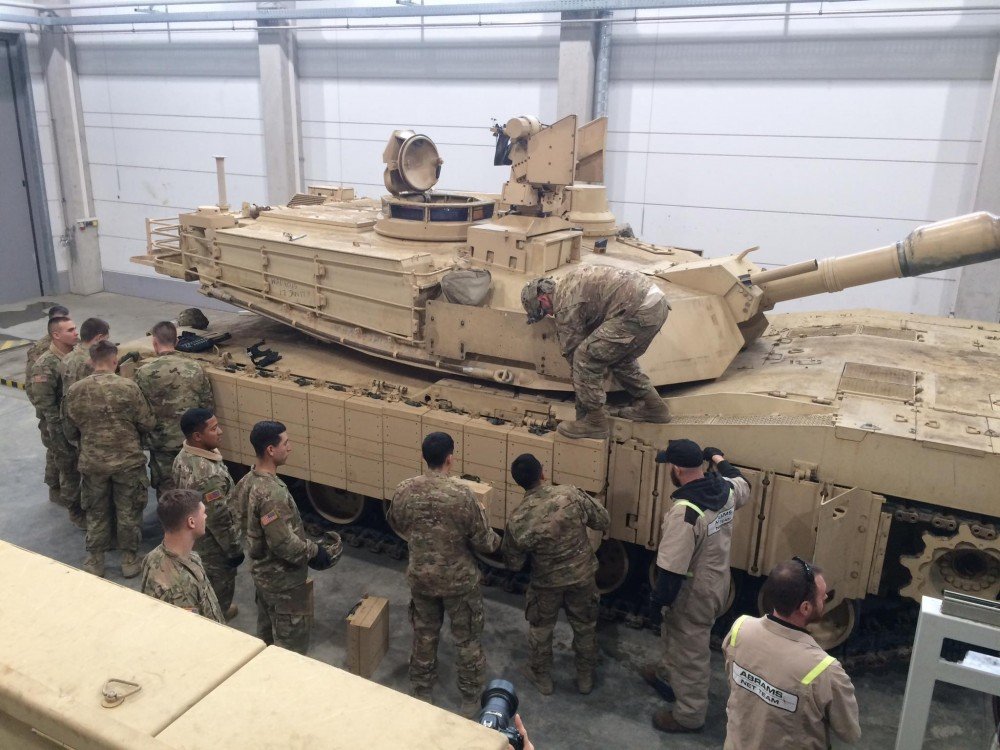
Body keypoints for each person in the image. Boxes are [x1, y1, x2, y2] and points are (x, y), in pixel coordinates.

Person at [386, 431, 500, 718]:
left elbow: (396, 523)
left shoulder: (405, 489)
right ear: (450, 458)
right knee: (467, 640)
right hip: (458, 582)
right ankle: (470, 699)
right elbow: (485, 542)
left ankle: (421, 691)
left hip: (421, 578)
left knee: (424, 635)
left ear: (424, 457)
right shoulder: (463, 495)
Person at [642, 439, 750, 734]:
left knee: (690, 651)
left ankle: (689, 714)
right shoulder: (724, 491)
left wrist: (657, 605)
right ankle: (667, 675)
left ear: (677, 470)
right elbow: (744, 483)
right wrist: (719, 458)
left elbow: (670, 571)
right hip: (717, 582)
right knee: (676, 635)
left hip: (692, 593)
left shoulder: (686, 513)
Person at [722, 558, 861, 749]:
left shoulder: (741, 629)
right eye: (822, 596)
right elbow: (850, 732)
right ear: (805, 608)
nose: (825, 599)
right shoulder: (825, 670)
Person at [501, 453, 610, 696]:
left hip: (546, 583)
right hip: (582, 576)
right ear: (543, 473)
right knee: (585, 626)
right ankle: (585, 678)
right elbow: (603, 520)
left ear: (519, 482)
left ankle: (543, 679)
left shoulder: (518, 518)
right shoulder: (570, 494)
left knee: (541, 629)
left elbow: (513, 563)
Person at [521, 267, 671, 439]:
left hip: (637, 310)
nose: (550, 314)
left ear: (542, 298)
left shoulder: (564, 304)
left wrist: (582, 415)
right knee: (619, 359)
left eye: (545, 311)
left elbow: (575, 359)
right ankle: (655, 407)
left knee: (584, 358)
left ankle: (595, 423)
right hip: (656, 305)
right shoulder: (567, 282)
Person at [237, 420, 340, 654]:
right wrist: (316, 552)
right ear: (270, 450)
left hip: (262, 577)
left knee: (265, 641)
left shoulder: (247, 481)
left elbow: (239, 519)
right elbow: (284, 543)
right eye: (285, 443)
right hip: (283, 584)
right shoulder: (272, 493)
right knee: (291, 652)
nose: (290, 447)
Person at [63, 341, 155, 578]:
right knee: (129, 510)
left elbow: (69, 431)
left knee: (96, 511)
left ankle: (95, 560)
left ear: (91, 361)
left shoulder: (75, 391)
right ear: (115, 361)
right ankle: (129, 560)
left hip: (93, 463)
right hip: (128, 462)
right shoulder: (129, 387)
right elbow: (147, 422)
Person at [173, 407, 244, 621]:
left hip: (192, 535)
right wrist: (233, 550)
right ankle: (217, 615)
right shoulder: (207, 475)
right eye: (213, 429)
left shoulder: (183, 456)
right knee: (219, 583)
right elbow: (218, 518)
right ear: (197, 436)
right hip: (213, 546)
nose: (220, 432)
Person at [135, 320, 214, 496]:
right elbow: (207, 408)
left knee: (168, 493)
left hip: (161, 443)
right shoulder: (196, 368)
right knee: (194, 488)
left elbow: (139, 411)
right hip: (191, 441)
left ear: (154, 342)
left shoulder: (144, 372)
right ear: (177, 342)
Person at [29, 315, 84, 526]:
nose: (76, 333)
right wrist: (61, 429)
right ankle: (76, 513)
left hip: (76, 422)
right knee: (69, 469)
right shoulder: (45, 365)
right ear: (56, 335)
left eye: (75, 328)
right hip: (58, 426)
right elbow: (44, 403)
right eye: (70, 330)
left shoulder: (76, 355)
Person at [140, 488, 225, 624]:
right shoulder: (180, 590)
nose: (205, 516)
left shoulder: (153, 557)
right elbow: (192, 630)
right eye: (203, 513)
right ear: (191, 522)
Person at [26, 304, 69, 503]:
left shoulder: (70, 344)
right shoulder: (41, 351)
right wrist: (46, 412)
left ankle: (64, 487)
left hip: (64, 410)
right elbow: (33, 386)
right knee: (55, 451)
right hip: (50, 411)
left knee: (63, 452)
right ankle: (55, 488)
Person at [61, 317, 109, 391]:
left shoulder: (66, 357)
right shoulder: (93, 361)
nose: (107, 343)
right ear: (99, 338)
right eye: (106, 339)